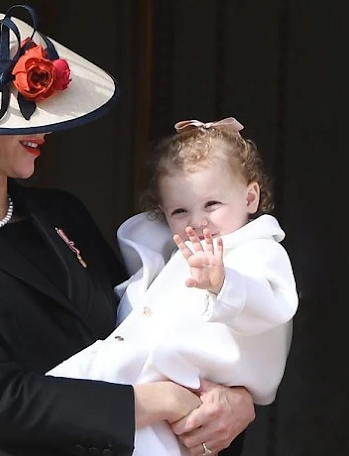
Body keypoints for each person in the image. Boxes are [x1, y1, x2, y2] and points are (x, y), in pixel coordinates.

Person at [0, 6, 255, 456]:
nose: (44, 124)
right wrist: (154, 401)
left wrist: (234, 402)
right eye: (27, 106)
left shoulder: (62, 214)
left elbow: (148, 331)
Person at [47, 117, 299, 456]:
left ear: (250, 198)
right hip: (140, 376)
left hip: (191, 390)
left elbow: (274, 302)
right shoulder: (175, 251)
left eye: (212, 204)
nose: (198, 221)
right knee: (58, 398)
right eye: (180, 211)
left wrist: (225, 283)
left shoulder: (258, 249)